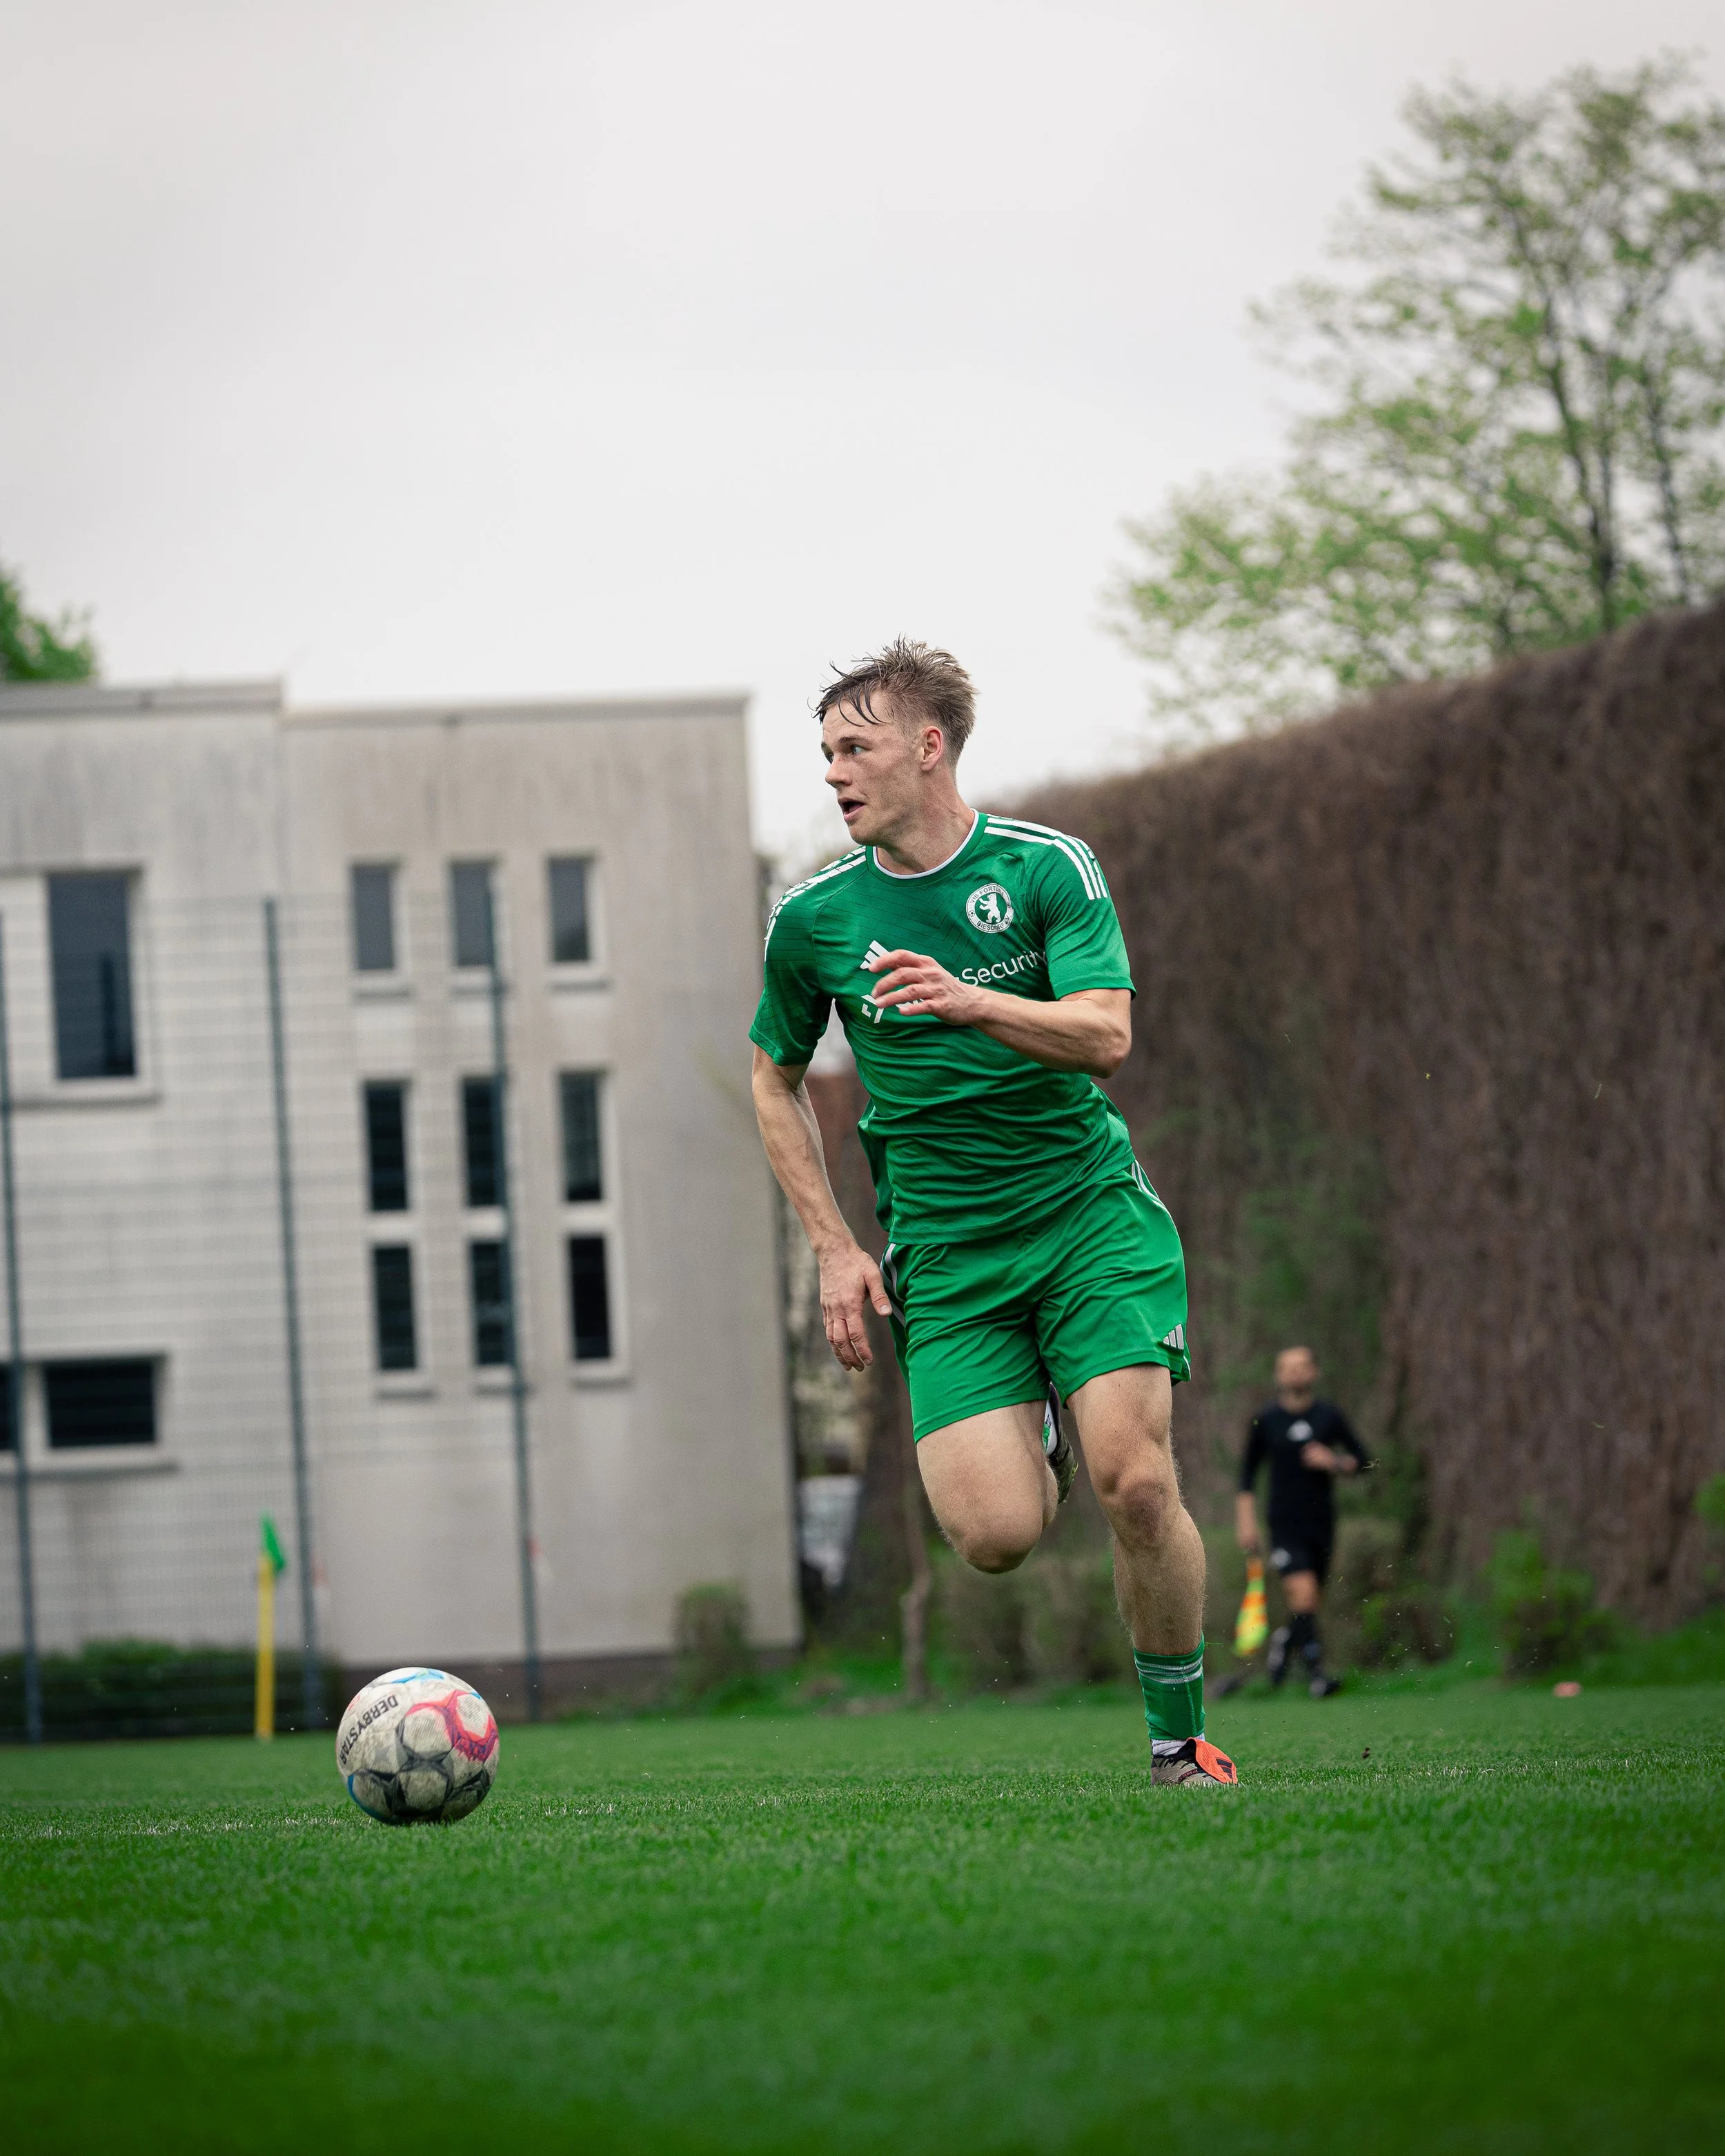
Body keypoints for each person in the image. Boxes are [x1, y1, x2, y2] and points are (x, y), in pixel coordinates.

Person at [750, 638, 1235, 1788]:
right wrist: (832, 1247)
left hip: (1086, 1223)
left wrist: (972, 1002)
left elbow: (1107, 1035)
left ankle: (1178, 1746)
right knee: (996, 1538)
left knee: (1141, 1482)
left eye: (854, 748)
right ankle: (1042, 1432)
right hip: (951, 1257)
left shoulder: (1046, 869)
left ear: (929, 748)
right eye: (823, 754)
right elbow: (772, 1078)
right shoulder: (813, 921)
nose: (834, 773)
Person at [1235, 1346, 1370, 1696]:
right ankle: (1317, 1678)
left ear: (1314, 1372)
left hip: (1322, 1522)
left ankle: (1284, 1641)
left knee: (1308, 1603)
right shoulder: (1265, 1420)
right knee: (1304, 1594)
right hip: (1283, 1522)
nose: (1295, 1373)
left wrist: (1336, 1463)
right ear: (1278, 1376)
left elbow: (1365, 1461)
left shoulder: (1329, 1416)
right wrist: (1246, 1524)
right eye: (1287, 1368)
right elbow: (1246, 1476)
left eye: (1301, 1367)